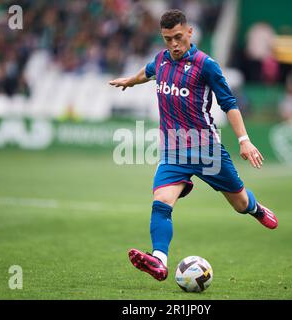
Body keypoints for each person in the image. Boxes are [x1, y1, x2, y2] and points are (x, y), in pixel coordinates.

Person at [109, 9, 278, 281]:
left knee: (239, 202)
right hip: (173, 150)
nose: (173, 44)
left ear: (189, 32)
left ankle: (256, 209)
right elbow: (149, 71)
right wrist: (131, 80)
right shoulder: (161, 60)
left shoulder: (206, 64)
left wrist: (244, 141)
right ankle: (159, 261)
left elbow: (229, 104)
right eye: (167, 39)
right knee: (161, 201)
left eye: (177, 37)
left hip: (206, 149)